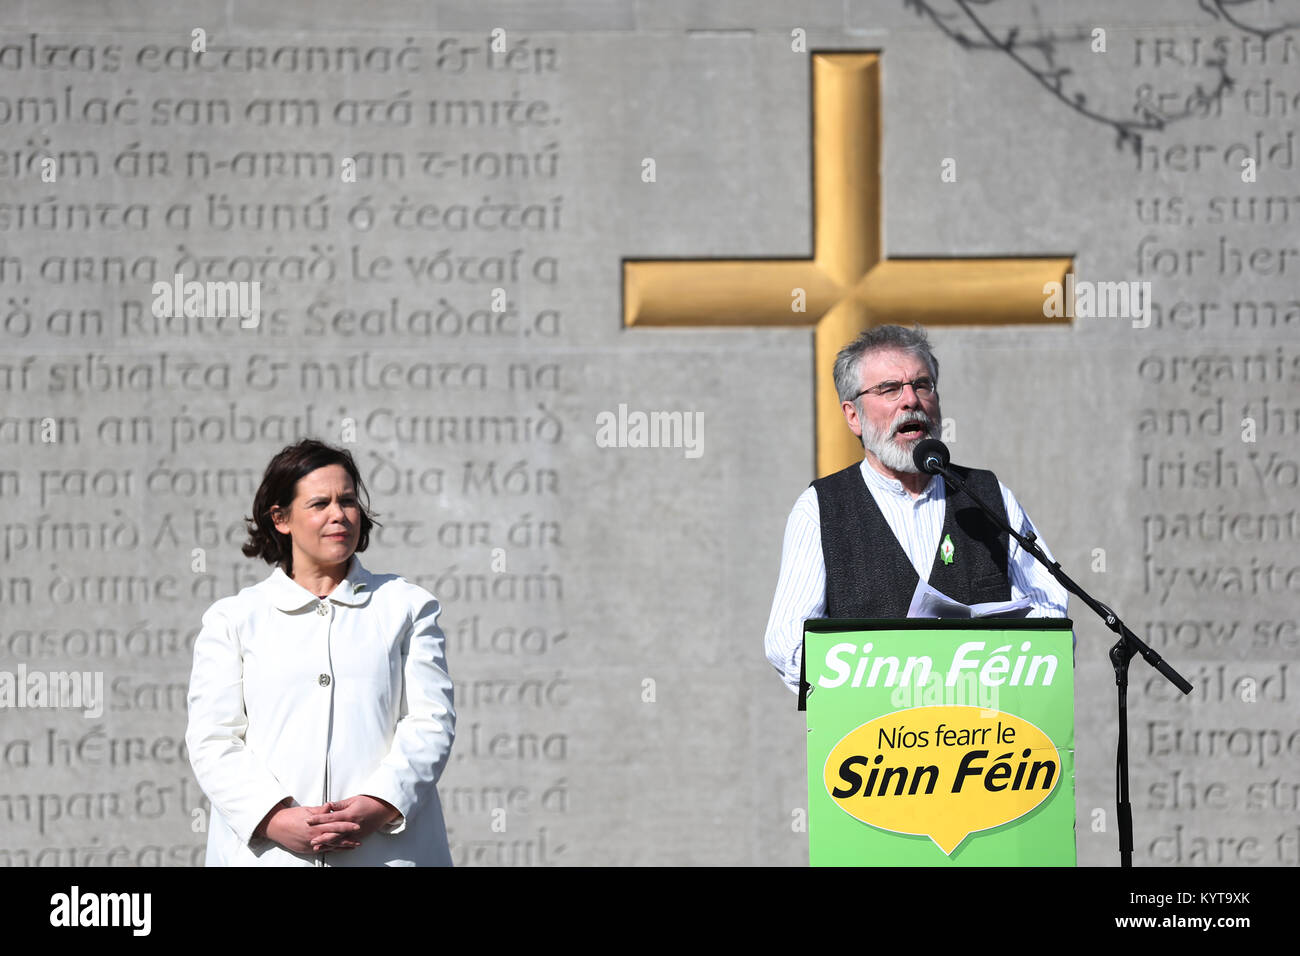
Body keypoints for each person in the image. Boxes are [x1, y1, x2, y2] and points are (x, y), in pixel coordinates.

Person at [185, 439, 455, 865]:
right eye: (319, 503)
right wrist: (274, 818)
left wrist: (379, 803)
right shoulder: (233, 619)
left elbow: (432, 722)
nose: (339, 515)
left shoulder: (407, 605)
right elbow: (213, 740)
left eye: (347, 501)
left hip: (387, 852)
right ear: (281, 518)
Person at [764, 325, 1068, 693]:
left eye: (922, 385)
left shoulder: (987, 495)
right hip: (875, 737)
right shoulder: (821, 509)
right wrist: (894, 680)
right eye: (889, 389)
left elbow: (1049, 607)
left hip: (984, 731)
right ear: (853, 416)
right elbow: (788, 645)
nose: (911, 400)